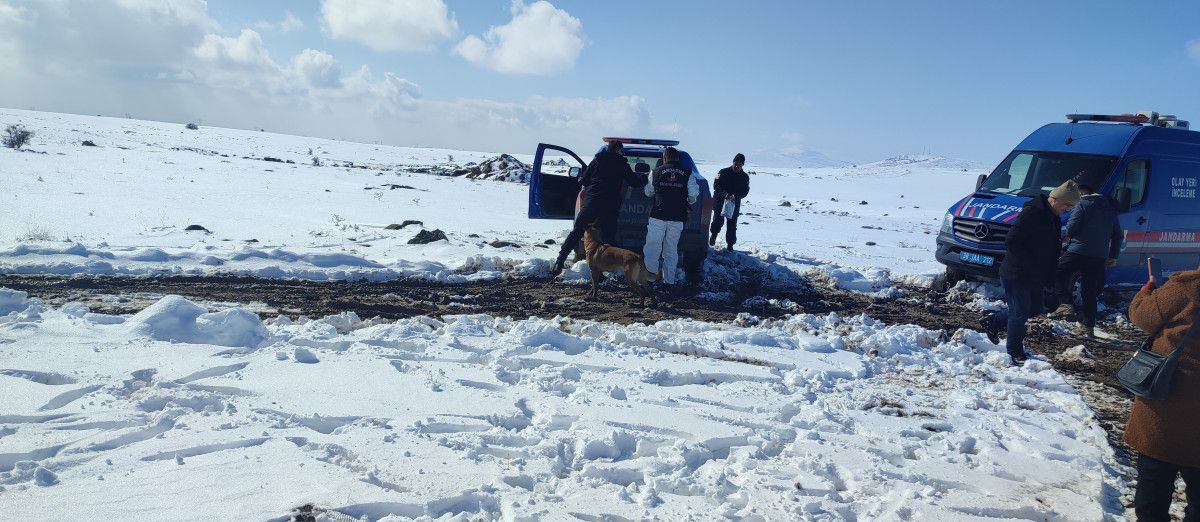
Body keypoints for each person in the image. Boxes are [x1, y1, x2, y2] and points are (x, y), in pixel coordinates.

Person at [1124, 262, 1200, 521]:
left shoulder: (1188, 285)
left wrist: (1147, 291)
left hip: (1168, 402)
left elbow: (1143, 316)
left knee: (1153, 491)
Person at [982, 180, 1080, 364]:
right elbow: (1012, 241)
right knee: (1019, 313)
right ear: (1055, 199)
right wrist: (1028, 262)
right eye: (1067, 205)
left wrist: (1050, 277)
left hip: (1035, 275)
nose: (1067, 209)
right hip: (1016, 273)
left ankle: (994, 320)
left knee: (1034, 309)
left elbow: (1053, 249)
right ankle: (1014, 352)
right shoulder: (1032, 213)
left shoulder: (1054, 218)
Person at [551, 140, 646, 276]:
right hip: (609, 205)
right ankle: (609, 270)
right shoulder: (622, 164)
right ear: (619, 150)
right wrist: (645, 179)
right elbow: (634, 182)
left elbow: (585, 180)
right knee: (608, 238)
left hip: (592, 203)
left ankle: (559, 262)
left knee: (577, 232)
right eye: (622, 151)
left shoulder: (597, 161)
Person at [1051, 182, 1124, 337]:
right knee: (1089, 290)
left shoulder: (1083, 204)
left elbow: (1072, 228)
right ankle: (1088, 326)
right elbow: (1117, 234)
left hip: (1078, 251)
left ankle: (1066, 303)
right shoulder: (1110, 208)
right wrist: (1113, 255)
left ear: (1082, 194)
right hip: (1099, 256)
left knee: (1055, 273)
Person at [642, 146, 699, 287]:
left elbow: (648, 192)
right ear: (677, 158)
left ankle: (650, 280)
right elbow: (693, 194)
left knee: (652, 248)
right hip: (677, 217)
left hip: (658, 216)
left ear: (664, 158)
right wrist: (688, 201)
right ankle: (669, 281)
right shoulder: (688, 173)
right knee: (671, 250)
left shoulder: (655, 172)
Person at [709, 153, 750, 251]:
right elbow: (716, 186)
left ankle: (730, 245)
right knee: (717, 222)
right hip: (720, 202)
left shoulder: (744, 177)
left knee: (732, 225)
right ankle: (713, 236)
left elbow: (745, 191)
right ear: (733, 162)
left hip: (734, 203)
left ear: (742, 165)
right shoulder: (723, 172)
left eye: (739, 165)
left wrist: (735, 196)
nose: (737, 166)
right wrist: (724, 194)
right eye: (735, 164)